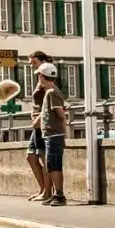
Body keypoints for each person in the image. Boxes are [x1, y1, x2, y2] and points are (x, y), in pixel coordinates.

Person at [34, 64, 67, 206]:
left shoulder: (51, 93)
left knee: (54, 166)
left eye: (39, 76)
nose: (38, 78)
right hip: (52, 135)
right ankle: (56, 194)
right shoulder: (53, 92)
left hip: (53, 135)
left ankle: (59, 195)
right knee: (51, 165)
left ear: (42, 76)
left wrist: (62, 132)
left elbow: (60, 114)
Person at [22, 51, 52, 200]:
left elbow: (49, 100)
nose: (31, 66)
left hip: (42, 123)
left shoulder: (46, 79)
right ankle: (42, 189)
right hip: (36, 125)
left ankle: (47, 193)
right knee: (30, 157)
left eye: (34, 63)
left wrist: (39, 118)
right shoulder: (39, 79)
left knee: (42, 156)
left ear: (43, 61)